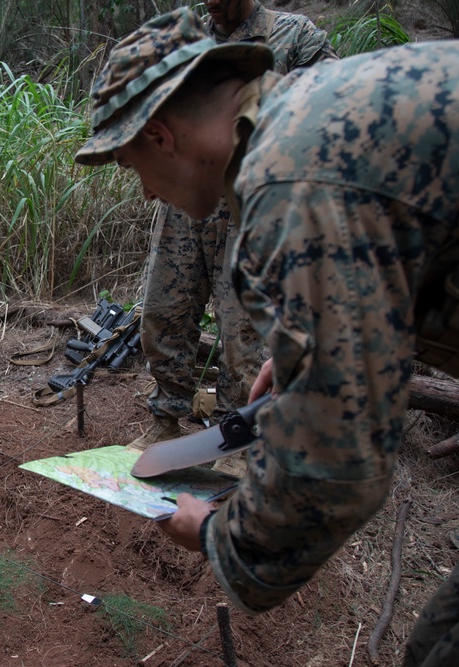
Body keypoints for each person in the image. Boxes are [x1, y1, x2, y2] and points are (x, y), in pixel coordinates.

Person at [75, 8, 458, 666]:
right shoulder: (306, 117)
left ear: (162, 138)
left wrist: (222, 535)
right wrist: (305, 366)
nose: (142, 193)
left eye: (130, 163)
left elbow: (340, 464)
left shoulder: (293, 175)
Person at [128, 0, 337, 456]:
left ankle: (233, 438)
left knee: (244, 330)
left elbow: (329, 111)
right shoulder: (188, 41)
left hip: (253, 207)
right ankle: (165, 419)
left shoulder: (294, 36)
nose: (211, 3)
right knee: (164, 311)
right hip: (187, 201)